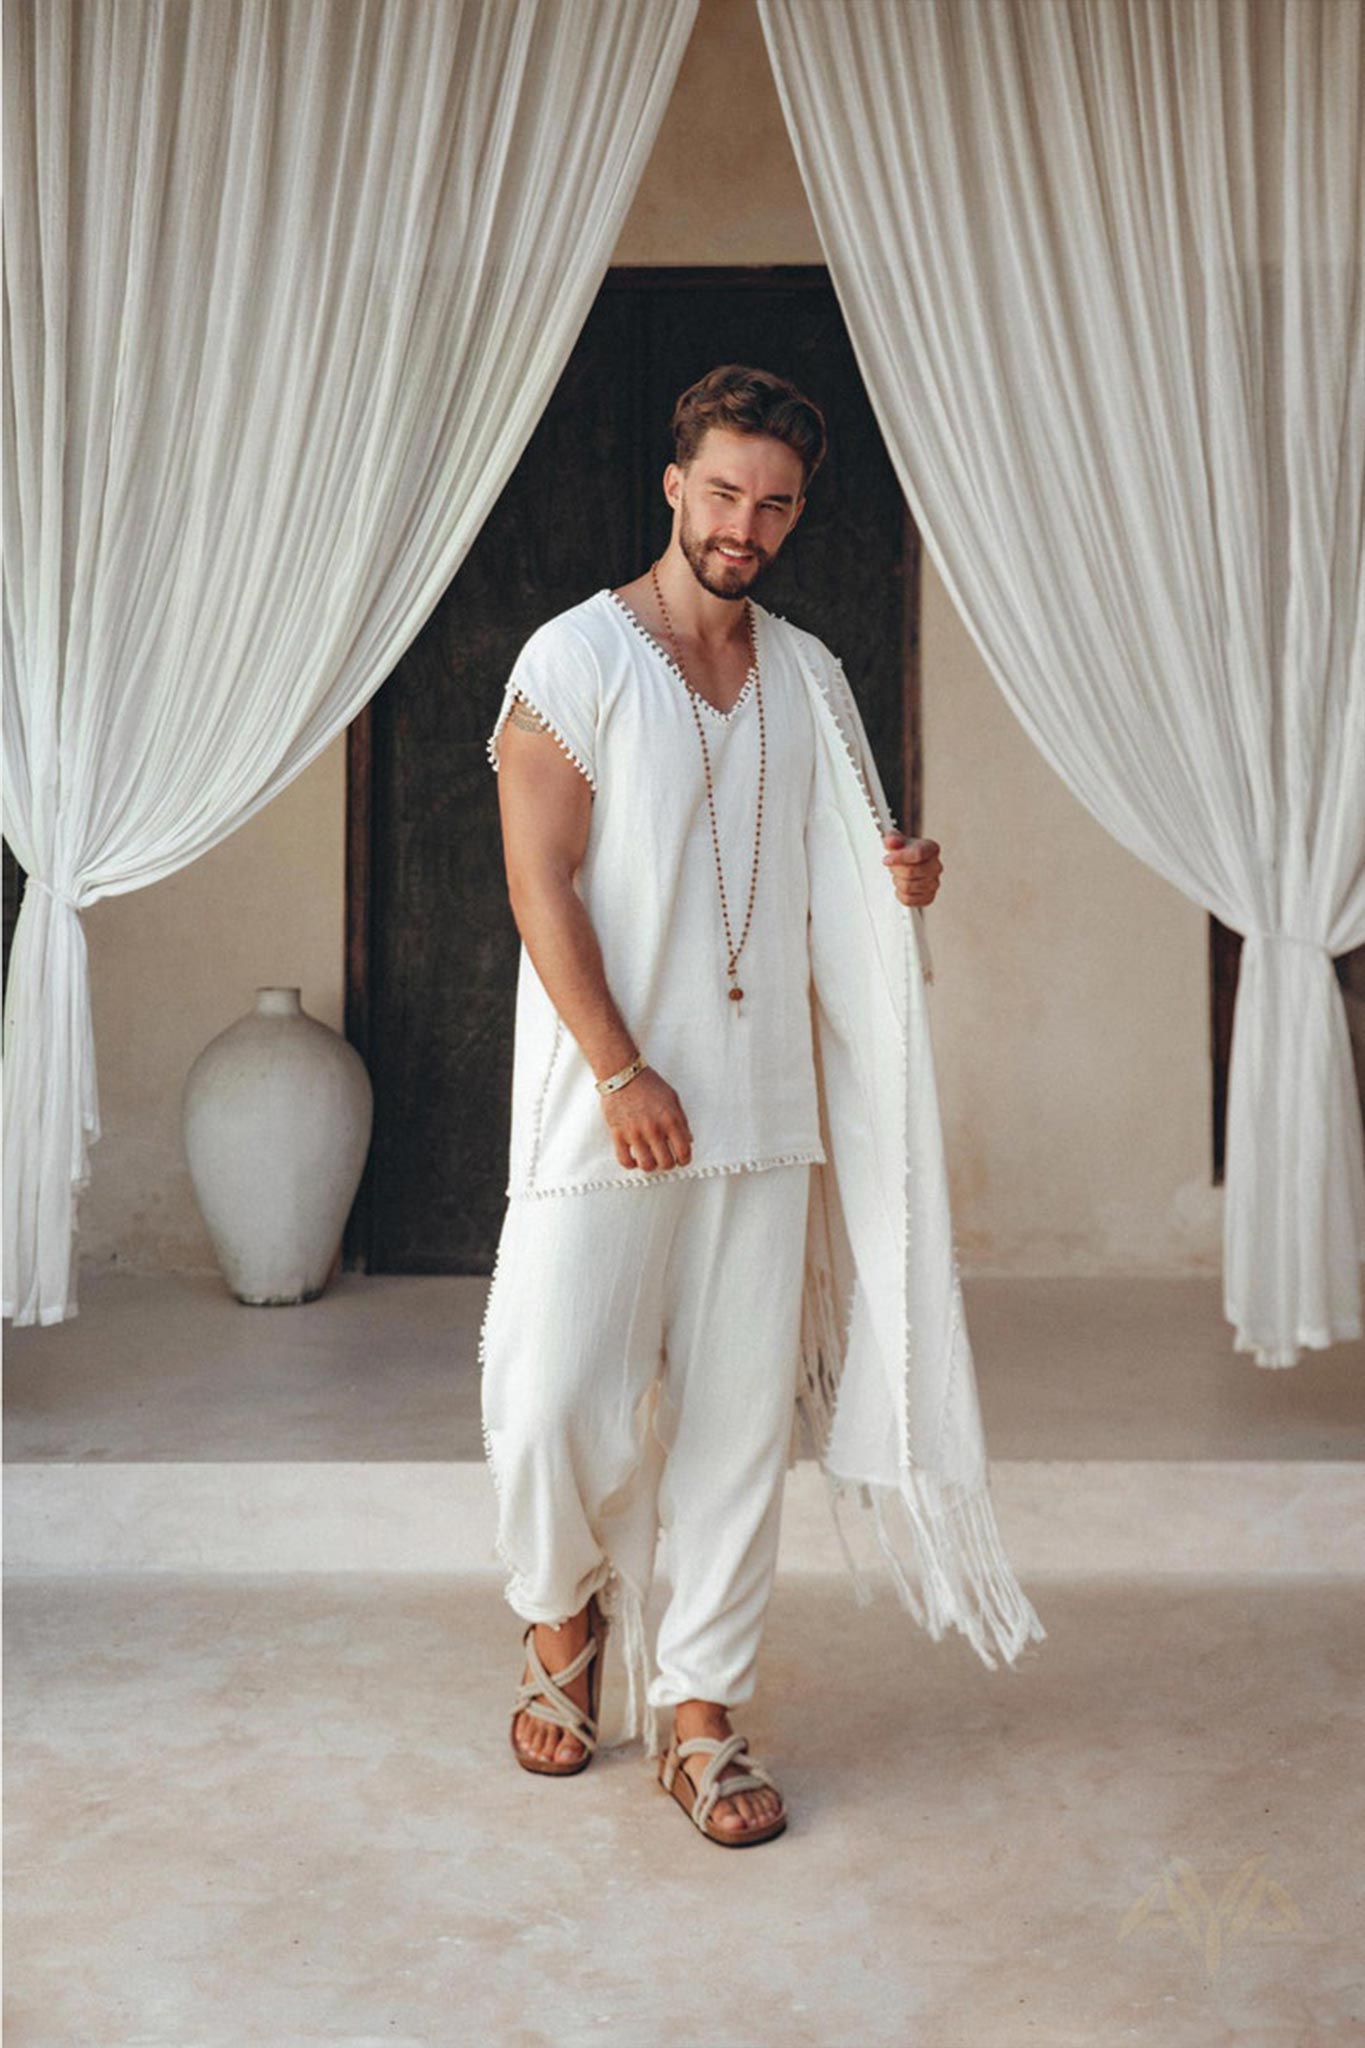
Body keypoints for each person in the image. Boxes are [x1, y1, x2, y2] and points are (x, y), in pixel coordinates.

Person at [480, 363, 945, 1846]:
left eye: (777, 504)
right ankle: (563, 1616)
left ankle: (700, 1710)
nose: (747, 525)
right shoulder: (573, 659)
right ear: (674, 484)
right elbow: (538, 882)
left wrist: (902, 881)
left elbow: (847, 860)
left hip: (763, 1105)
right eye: (726, 492)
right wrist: (620, 1068)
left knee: (740, 1424)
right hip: (604, 1099)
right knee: (551, 1393)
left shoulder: (808, 675)